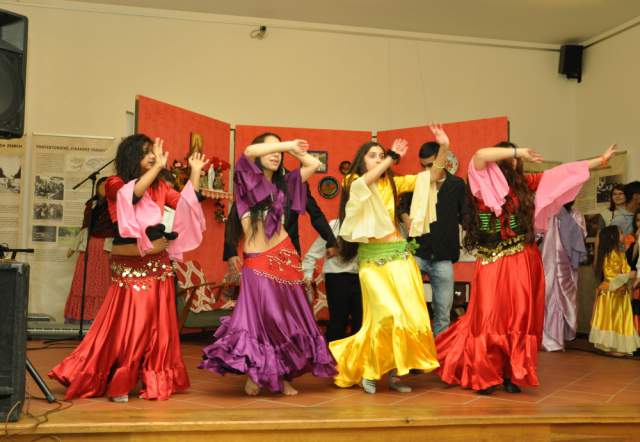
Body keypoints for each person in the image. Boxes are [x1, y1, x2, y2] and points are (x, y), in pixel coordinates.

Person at [435, 141, 617, 395]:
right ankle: (486, 374)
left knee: (519, 317)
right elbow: (479, 153)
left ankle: (512, 372)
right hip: (492, 261)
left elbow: (561, 174)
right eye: (509, 156)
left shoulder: (524, 184)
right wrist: (517, 151)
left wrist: (599, 161)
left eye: (516, 158)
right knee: (489, 317)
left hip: (522, 258)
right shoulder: (481, 180)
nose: (515, 161)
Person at [49, 134, 208, 402]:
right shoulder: (115, 183)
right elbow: (131, 196)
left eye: (153, 151)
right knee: (132, 327)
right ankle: (120, 379)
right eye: (146, 152)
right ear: (132, 156)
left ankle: (152, 377)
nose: (152, 155)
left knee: (158, 328)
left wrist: (195, 172)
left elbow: (186, 205)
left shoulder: (160, 186)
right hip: (130, 265)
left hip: (159, 266)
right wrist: (158, 168)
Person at [199, 133, 336, 396]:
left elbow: (313, 164)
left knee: (286, 322)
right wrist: (287, 145)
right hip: (259, 262)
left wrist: (293, 150)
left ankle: (283, 377)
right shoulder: (247, 181)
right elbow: (249, 151)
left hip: (287, 260)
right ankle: (256, 373)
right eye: (270, 148)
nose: (275, 153)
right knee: (261, 321)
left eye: (278, 151)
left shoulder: (288, 184)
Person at [330, 124, 449, 394]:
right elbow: (365, 182)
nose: (378, 159)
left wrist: (444, 147)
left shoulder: (394, 183)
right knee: (386, 316)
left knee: (408, 317)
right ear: (362, 160)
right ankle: (369, 370)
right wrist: (391, 158)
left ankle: (395, 374)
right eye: (372, 155)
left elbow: (433, 175)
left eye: (380, 155)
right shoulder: (353, 181)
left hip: (400, 258)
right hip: (372, 263)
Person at [398, 141, 466, 336]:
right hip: (417, 252)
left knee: (443, 311)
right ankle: (412, 346)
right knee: (406, 304)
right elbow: (401, 208)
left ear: (441, 160)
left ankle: (440, 350)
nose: (427, 170)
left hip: (444, 256)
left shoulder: (457, 185)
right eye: (423, 166)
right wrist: (406, 219)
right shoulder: (417, 182)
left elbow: (466, 215)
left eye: (430, 165)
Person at [63, 177, 115, 323]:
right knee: (83, 281)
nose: (103, 189)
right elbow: (85, 227)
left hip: (105, 248)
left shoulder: (115, 204)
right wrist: (73, 247)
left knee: (102, 282)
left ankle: (100, 316)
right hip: (89, 247)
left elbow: (118, 228)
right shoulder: (91, 204)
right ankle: (80, 316)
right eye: (101, 186)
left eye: (107, 186)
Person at [301, 218, 361, 342]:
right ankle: (333, 353)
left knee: (361, 324)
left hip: (361, 277)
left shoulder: (367, 225)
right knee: (338, 323)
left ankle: (358, 354)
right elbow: (311, 255)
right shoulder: (333, 226)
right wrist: (308, 276)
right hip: (336, 278)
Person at [540, 201, 587, 351]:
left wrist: (564, 219)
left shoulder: (576, 214)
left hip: (567, 266)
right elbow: (538, 234)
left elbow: (580, 237)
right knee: (548, 298)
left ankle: (559, 337)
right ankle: (549, 339)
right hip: (549, 263)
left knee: (564, 300)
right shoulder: (548, 213)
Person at [589, 225, 640, 355]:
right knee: (611, 319)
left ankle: (619, 345)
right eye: (621, 233)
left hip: (620, 293)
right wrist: (628, 276)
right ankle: (610, 346)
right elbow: (610, 276)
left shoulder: (621, 254)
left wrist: (628, 276)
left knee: (619, 320)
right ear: (613, 237)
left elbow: (625, 270)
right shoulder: (608, 255)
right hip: (610, 294)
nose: (623, 235)